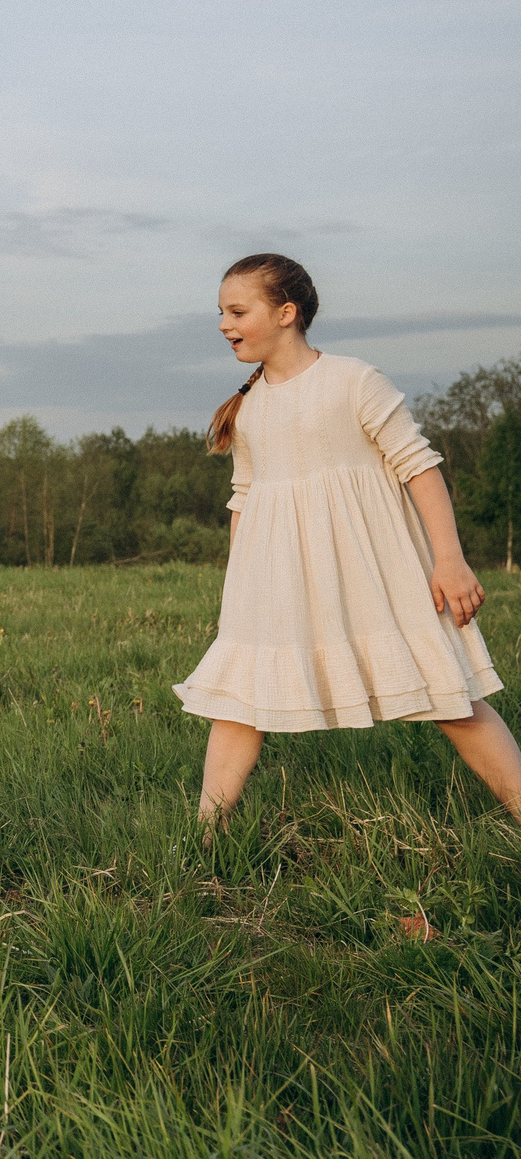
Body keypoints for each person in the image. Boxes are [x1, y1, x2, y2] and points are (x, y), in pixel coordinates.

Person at [175, 254, 519, 823]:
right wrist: (241, 593)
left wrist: (450, 561)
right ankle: (203, 838)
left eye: (237, 311)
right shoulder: (251, 406)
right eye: (221, 312)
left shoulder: (353, 380)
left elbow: (420, 468)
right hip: (278, 581)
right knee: (238, 704)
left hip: (374, 573)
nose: (222, 324)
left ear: (286, 313)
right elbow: (245, 501)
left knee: (449, 698)